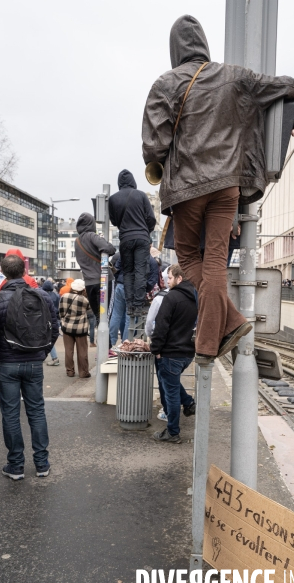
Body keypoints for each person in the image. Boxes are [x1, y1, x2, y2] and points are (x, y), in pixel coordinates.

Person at [142, 15, 294, 363]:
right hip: (228, 185)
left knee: (188, 256)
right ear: (203, 43)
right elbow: (291, 86)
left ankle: (213, 338)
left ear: (175, 49)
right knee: (215, 258)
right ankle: (224, 327)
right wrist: (290, 115)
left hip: (188, 187)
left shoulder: (165, 83)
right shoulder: (235, 76)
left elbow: (155, 146)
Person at [0, 254, 59, 480]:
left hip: (7, 365)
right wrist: (42, 353)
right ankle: (42, 463)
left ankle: (16, 466)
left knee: (11, 415)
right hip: (34, 363)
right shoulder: (42, 296)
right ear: (24, 271)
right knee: (36, 411)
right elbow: (54, 328)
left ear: (4, 273)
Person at [151, 265, 197, 443]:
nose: (166, 281)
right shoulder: (196, 296)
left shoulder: (171, 297)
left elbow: (161, 326)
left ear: (179, 278)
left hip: (170, 352)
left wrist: (156, 349)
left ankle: (173, 432)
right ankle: (188, 403)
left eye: (169, 278)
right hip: (187, 353)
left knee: (170, 393)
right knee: (171, 381)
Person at [108, 169, 156, 317]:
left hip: (125, 239)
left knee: (128, 271)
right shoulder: (141, 195)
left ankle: (130, 306)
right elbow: (151, 218)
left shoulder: (113, 199)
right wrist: (145, 230)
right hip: (142, 238)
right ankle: (139, 305)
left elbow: (114, 221)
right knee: (140, 270)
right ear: (133, 181)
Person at [75, 213, 116, 324]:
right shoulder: (92, 236)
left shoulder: (77, 241)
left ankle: (103, 342)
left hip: (89, 284)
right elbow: (110, 249)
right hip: (104, 282)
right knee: (106, 318)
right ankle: (106, 342)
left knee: (99, 318)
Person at [145, 267, 170, 422]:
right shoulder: (187, 295)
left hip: (161, 343)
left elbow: (149, 322)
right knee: (173, 378)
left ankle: (167, 410)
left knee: (162, 377)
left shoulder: (159, 298)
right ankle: (179, 404)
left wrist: (151, 337)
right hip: (180, 344)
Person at [59, 279, 91, 378]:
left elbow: (61, 312)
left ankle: (70, 371)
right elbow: (89, 310)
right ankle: (83, 372)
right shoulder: (84, 299)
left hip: (67, 327)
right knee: (82, 351)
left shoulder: (64, 297)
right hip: (80, 328)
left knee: (68, 351)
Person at [109, 254, 130, 346]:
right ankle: (125, 342)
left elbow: (116, 269)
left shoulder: (121, 254)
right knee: (129, 316)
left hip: (120, 284)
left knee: (116, 314)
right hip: (131, 286)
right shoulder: (140, 254)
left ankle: (110, 342)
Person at [43, 280, 61, 366]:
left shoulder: (43, 296)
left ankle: (55, 358)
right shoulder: (56, 295)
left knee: (47, 338)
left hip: (45, 319)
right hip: (55, 317)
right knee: (50, 338)